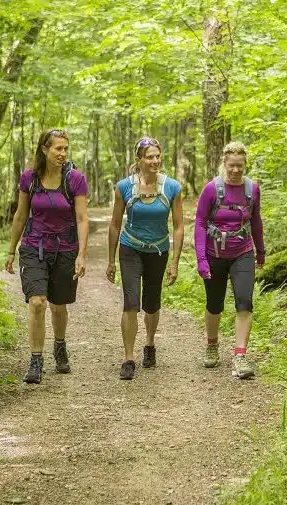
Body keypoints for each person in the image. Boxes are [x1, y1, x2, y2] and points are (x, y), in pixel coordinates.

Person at [5, 129, 89, 384]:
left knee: (58, 305)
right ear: (44, 149)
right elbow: (20, 215)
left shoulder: (75, 179)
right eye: (58, 149)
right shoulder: (29, 179)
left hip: (65, 249)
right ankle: (35, 360)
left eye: (65, 149)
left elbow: (82, 218)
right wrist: (11, 250)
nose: (63, 154)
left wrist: (81, 254)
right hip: (34, 247)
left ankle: (60, 345)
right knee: (37, 302)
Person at [106, 136, 183, 380]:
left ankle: (149, 344)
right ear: (139, 159)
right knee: (131, 301)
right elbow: (115, 224)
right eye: (150, 157)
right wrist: (110, 260)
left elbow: (179, 226)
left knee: (152, 303)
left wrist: (175, 262)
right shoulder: (124, 187)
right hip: (130, 249)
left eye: (158, 156)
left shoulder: (172, 187)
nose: (155, 161)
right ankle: (128, 358)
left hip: (158, 251)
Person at [193, 141, 265, 379]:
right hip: (214, 255)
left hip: (242, 252)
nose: (235, 170)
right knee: (214, 304)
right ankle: (212, 345)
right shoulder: (211, 190)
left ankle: (240, 355)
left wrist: (261, 251)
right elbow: (201, 223)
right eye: (231, 166)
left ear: (245, 165)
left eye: (240, 166)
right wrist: (201, 259)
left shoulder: (252, 189)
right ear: (224, 163)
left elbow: (256, 222)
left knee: (245, 301)